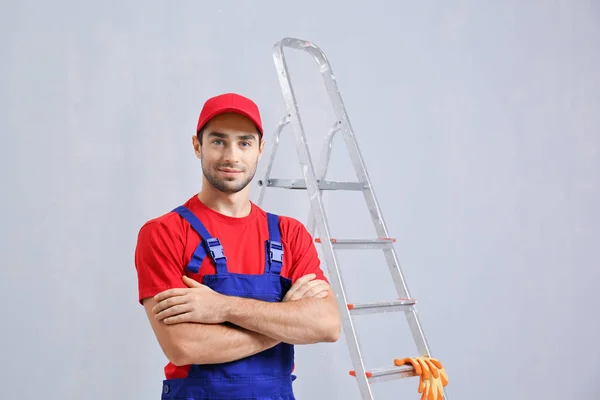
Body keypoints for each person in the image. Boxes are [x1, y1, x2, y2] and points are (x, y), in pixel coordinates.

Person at [134, 92, 342, 400]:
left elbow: (327, 325)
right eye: (218, 141)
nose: (232, 155)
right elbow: (183, 346)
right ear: (197, 146)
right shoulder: (165, 233)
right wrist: (285, 320)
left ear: (260, 149)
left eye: (244, 142)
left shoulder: (289, 234)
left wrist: (222, 307)